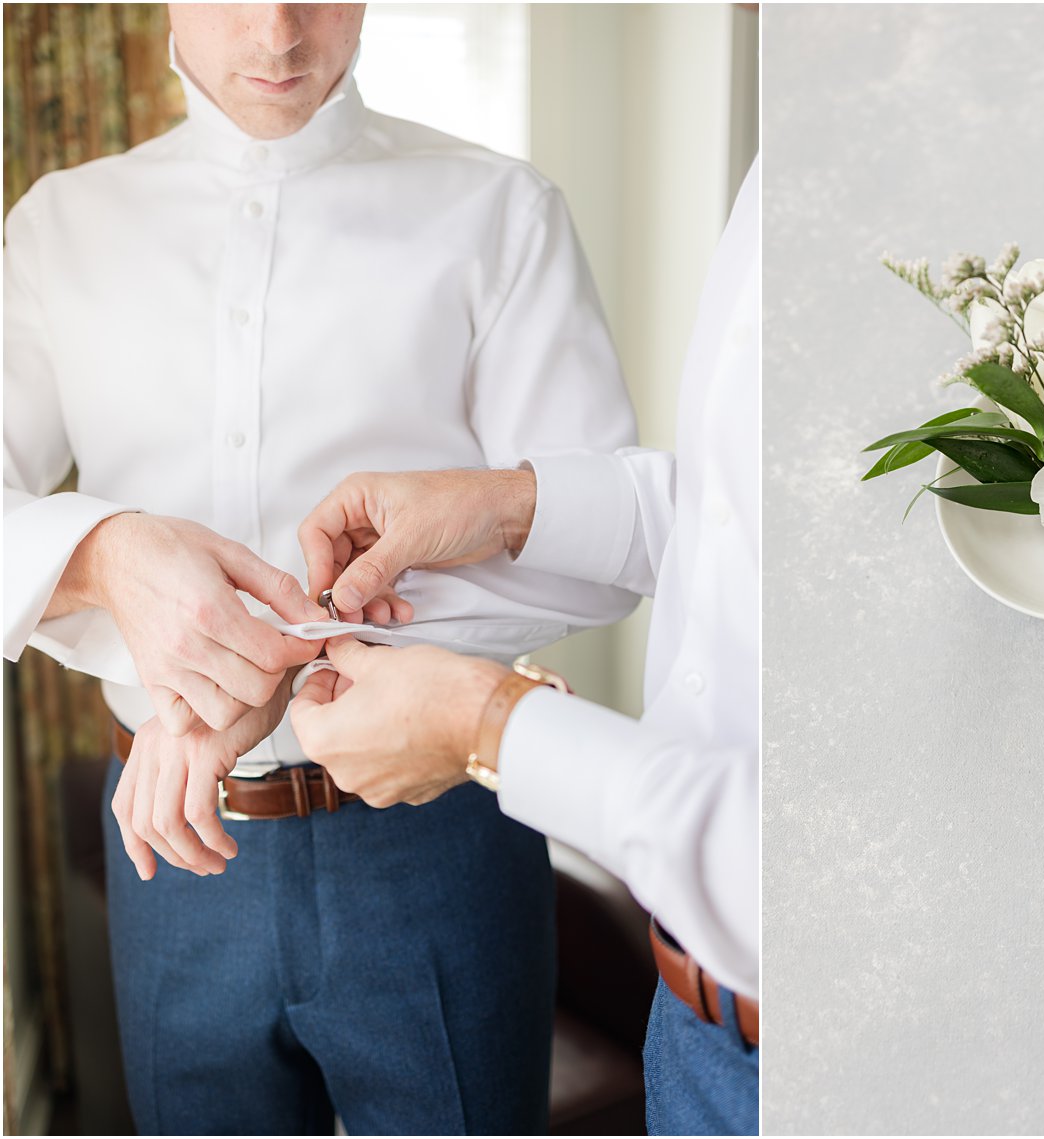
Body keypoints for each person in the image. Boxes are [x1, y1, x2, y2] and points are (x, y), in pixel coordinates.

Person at [3, 4, 638, 1133]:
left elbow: (600, 555)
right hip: (171, 849)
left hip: (441, 835)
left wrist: (268, 663)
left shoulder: (500, 212)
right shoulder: (60, 228)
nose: (280, 32)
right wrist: (103, 553)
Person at [289, 159, 760, 1135]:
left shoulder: (505, 208)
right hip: (690, 1027)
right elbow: (747, 526)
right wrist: (506, 503)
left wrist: (484, 721)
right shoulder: (776, 173)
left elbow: (798, 870)